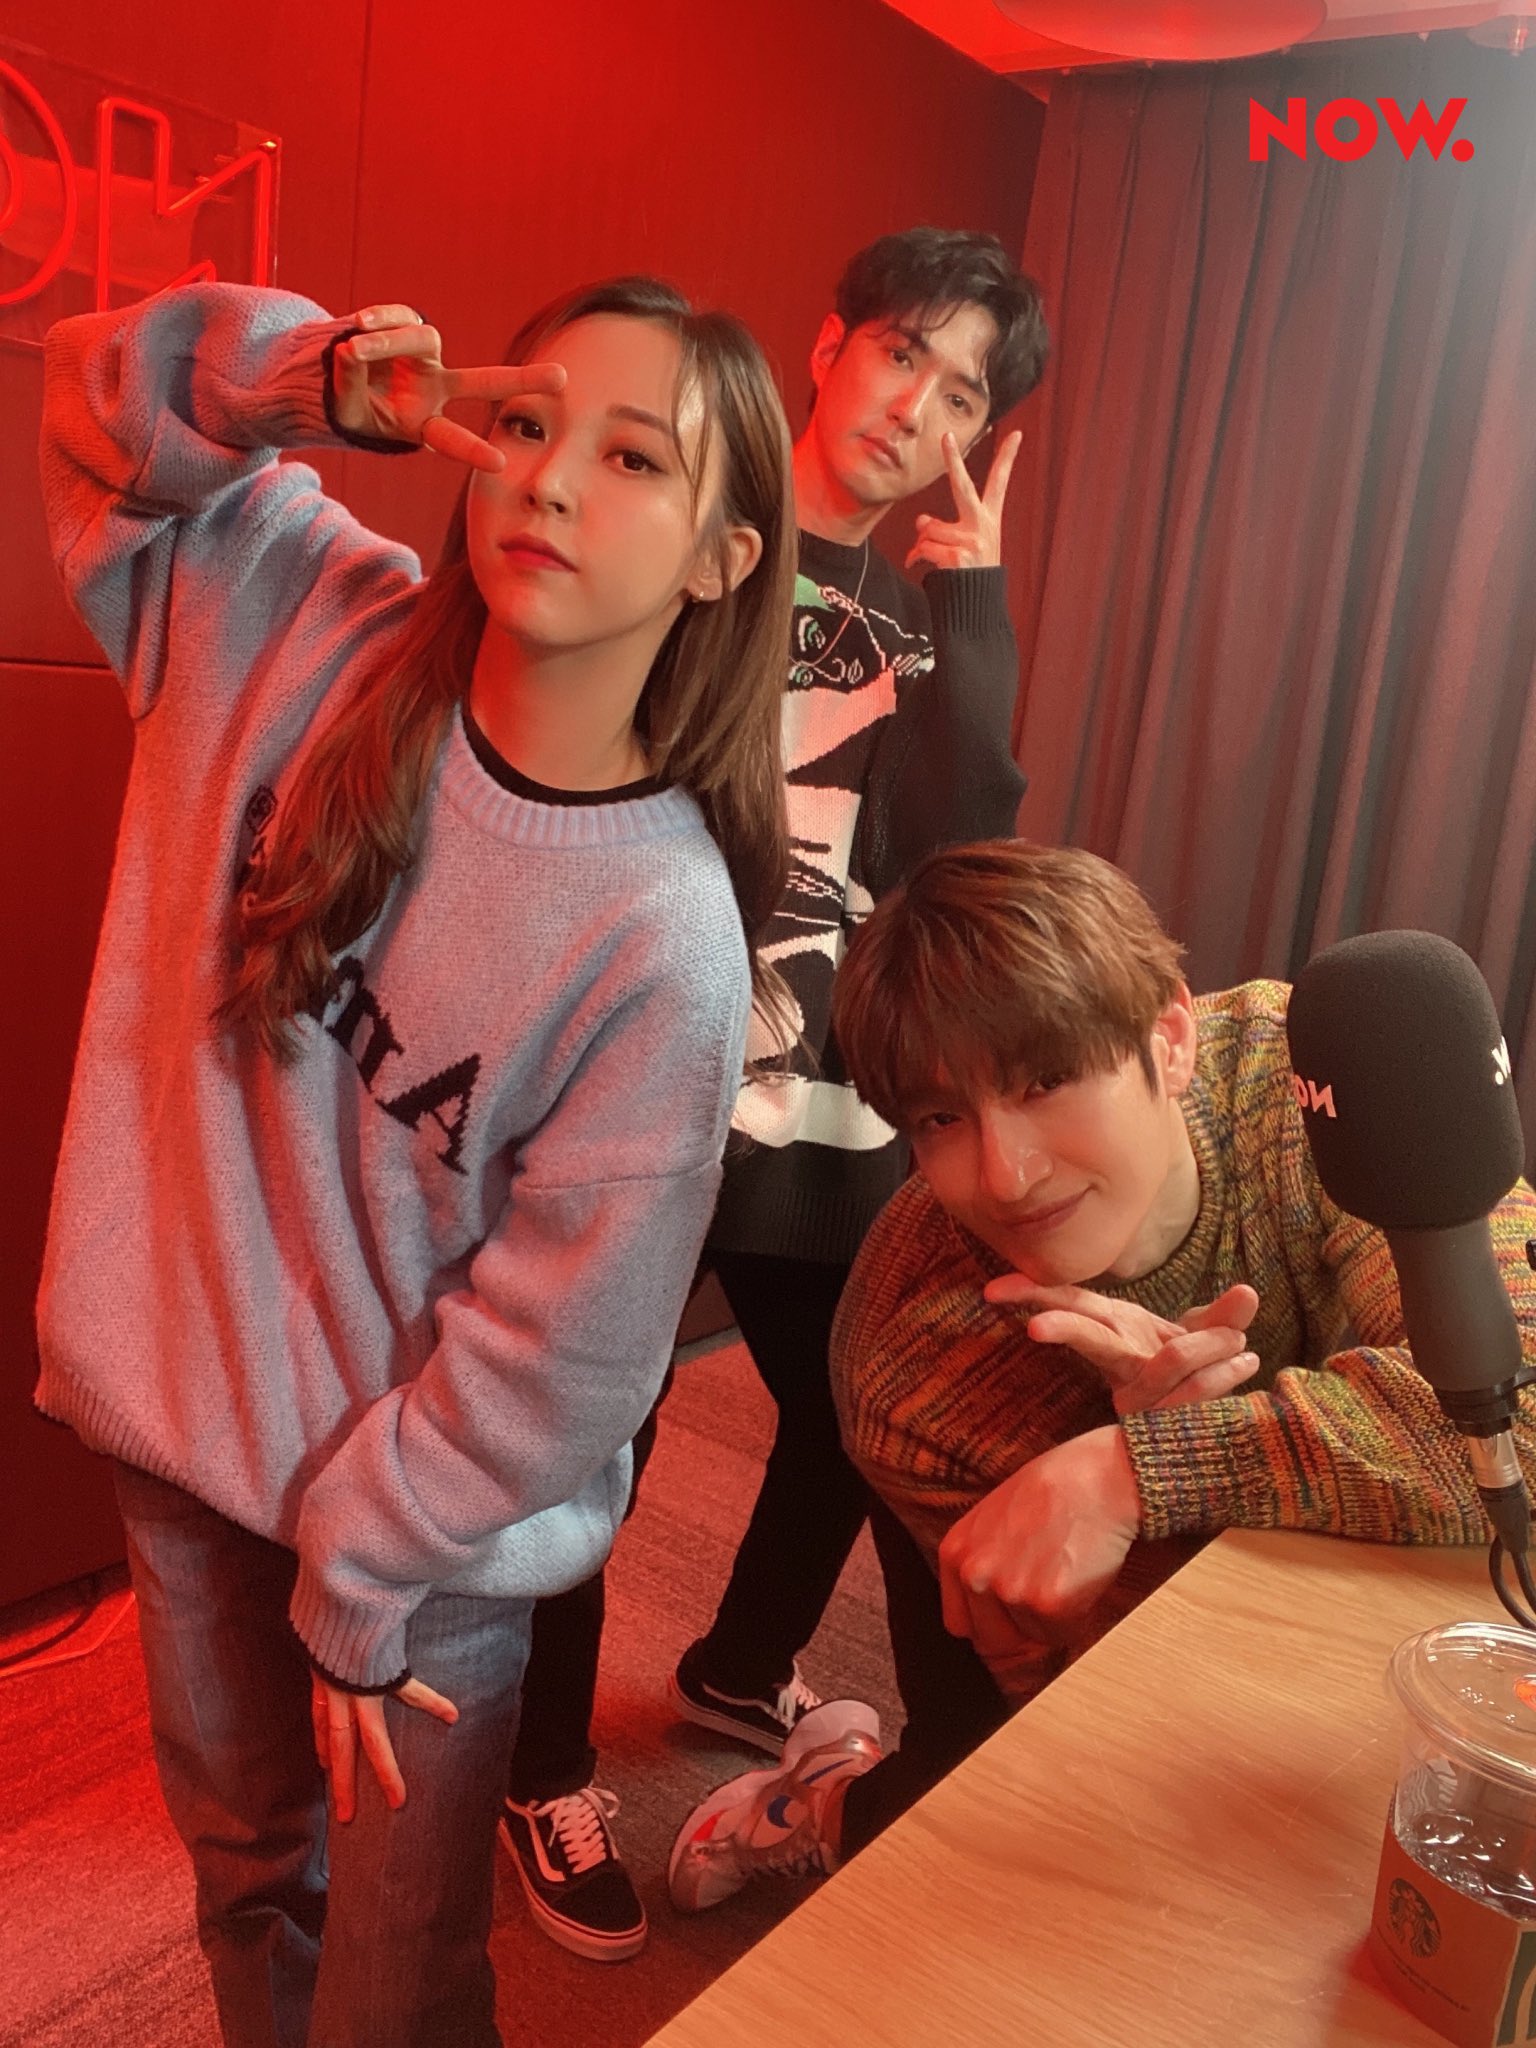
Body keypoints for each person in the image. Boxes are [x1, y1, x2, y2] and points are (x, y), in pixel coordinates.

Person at [33, 271, 798, 2047]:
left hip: (432, 1540)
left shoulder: (662, 935)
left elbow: (568, 1349)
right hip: (187, 1428)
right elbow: (92, 400)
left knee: (397, 1975)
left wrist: (368, 1559)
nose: (551, 479)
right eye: (526, 421)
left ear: (722, 559)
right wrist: (303, 378)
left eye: (633, 457)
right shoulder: (298, 611)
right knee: (244, 1875)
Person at [500, 228, 1049, 1961]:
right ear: (829, 346)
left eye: (963, 393)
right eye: (903, 353)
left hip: (827, 1100)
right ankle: (538, 1766)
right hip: (650, 1073)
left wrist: (974, 605)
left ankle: (741, 1663)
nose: (920, 408)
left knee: (860, 1414)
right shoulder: (700, 533)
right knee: (603, 1434)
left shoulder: (923, 613)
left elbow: (956, 846)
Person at [668, 839, 1536, 1911]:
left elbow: (1513, 1419)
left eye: (1047, 1080)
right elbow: (1100, 1709)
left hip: (1385, 1603)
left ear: (1169, 1040)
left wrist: (1143, 1466)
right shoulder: (910, 1362)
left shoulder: (1302, 1086)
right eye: (941, 1118)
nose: (1008, 1174)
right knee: (975, 1825)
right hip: (1125, 1687)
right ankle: (828, 1795)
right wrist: (1188, 1504)